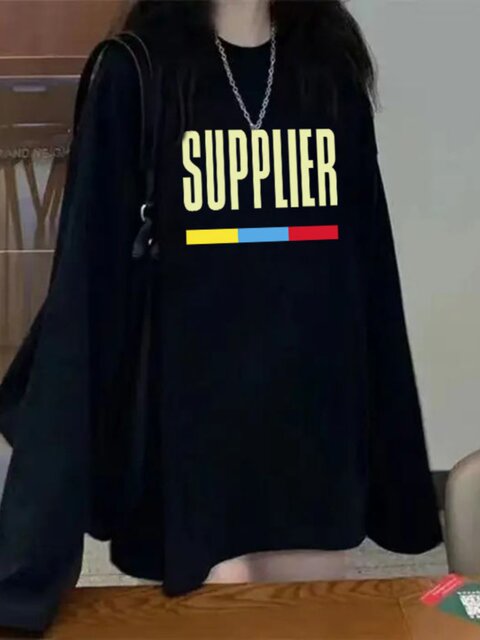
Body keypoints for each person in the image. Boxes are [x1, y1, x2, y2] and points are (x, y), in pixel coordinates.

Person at [0, 0, 443, 630]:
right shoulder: (137, 72)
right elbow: (85, 291)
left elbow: (368, 269)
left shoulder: (329, 69)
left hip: (313, 428)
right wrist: (30, 558)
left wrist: (392, 463)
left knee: (317, 612)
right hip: (194, 434)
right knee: (223, 610)